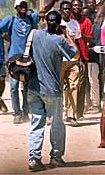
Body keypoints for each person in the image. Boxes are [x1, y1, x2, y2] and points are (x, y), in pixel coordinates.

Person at [0, 0, 63, 124]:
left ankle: (25, 112)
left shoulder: (31, 19)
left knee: (26, 87)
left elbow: (44, 10)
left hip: (28, 59)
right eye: (21, 6)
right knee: (13, 87)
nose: (23, 7)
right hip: (14, 59)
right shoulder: (10, 20)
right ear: (16, 8)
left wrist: (54, 0)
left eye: (25, 5)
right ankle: (17, 113)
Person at [27, 11, 79, 171]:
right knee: (56, 123)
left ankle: (34, 159)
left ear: (45, 21)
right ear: (58, 24)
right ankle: (56, 157)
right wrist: (66, 34)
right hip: (52, 89)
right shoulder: (59, 40)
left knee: (36, 123)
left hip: (33, 87)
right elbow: (75, 52)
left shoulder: (35, 35)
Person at [59, 0, 83, 126]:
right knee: (58, 87)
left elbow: (78, 42)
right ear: (60, 10)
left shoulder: (75, 24)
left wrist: (81, 59)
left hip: (73, 60)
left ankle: (71, 115)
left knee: (74, 86)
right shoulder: (56, 23)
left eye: (69, 9)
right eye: (65, 9)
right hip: (59, 60)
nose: (67, 11)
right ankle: (55, 114)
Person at [71, 0, 93, 121]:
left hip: (83, 56)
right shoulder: (68, 20)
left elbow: (90, 39)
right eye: (74, 5)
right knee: (68, 85)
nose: (77, 7)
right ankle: (69, 110)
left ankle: (79, 112)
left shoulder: (87, 21)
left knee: (80, 85)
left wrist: (79, 34)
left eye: (79, 5)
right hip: (68, 56)